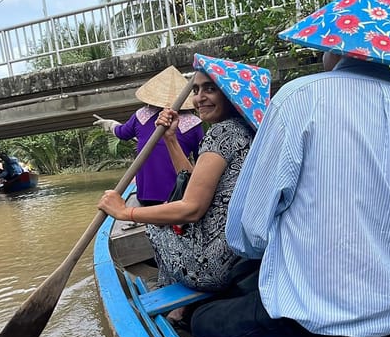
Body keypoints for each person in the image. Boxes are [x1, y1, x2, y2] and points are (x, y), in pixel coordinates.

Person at [190, 0, 390, 337]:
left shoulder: (301, 97)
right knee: (252, 282)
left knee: (203, 320)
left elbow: (248, 230)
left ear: (336, 51)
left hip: (324, 328)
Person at [97, 54, 271, 292]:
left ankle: (174, 303)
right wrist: (170, 139)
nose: (199, 98)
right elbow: (194, 182)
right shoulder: (249, 131)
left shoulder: (221, 134)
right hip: (241, 257)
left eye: (210, 89)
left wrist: (126, 212)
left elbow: (191, 208)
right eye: (197, 89)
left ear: (230, 93)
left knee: (155, 228)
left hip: (213, 267)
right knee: (168, 224)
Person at [94, 66, 204, 206]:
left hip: (146, 196)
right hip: (178, 196)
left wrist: (110, 125)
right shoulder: (194, 124)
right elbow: (201, 161)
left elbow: (121, 133)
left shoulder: (142, 115)